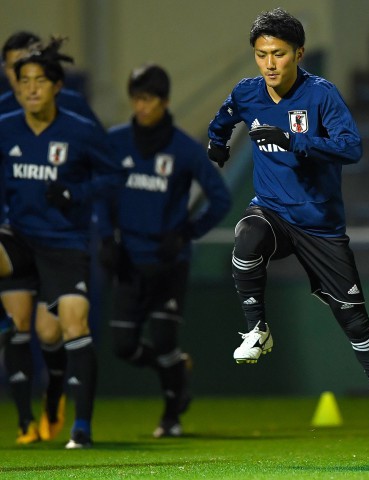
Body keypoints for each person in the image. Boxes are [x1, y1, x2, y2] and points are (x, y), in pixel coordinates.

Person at [207, 8, 369, 461]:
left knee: (355, 323)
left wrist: (295, 140)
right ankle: (257, 328)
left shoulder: (321, 95)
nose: (270, 64)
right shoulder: (247, 92)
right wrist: (217, 144)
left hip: (320, 226)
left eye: (279, 54)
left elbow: (351, 147)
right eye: (261, 55)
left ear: (298, 53)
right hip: (273, 213)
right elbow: (224, 118)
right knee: (246, 238)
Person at [0, 37, 125, 448]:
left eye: (40, 80)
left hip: (63, 243)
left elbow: (113, 177)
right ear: (15, 86)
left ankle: (79, 425)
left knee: (61, 329)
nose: (31, 88)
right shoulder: (5, 128)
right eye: (24, 80)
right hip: (17, 237)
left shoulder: (80, 131)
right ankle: (26, 421)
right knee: (20, 321)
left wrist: (75, 194)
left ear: (57, 87)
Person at [97, 64, 231, 438]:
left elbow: (220, 199)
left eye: (149, 99)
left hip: (169, 262)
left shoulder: (185, 148)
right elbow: (101, 192)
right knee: (123, 346)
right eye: (136, 98)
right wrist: (107, 237)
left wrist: (187, 232)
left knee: (164, 339)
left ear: (165, 101)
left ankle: (171, 416)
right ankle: (173, 370)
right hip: (129, 260)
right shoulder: (116, 141)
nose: (141, 106)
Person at [1, 31, 100, 123]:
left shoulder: (74, 104)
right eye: (14, 67)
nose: (22, 72)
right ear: (4, 69)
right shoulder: (2, 108)